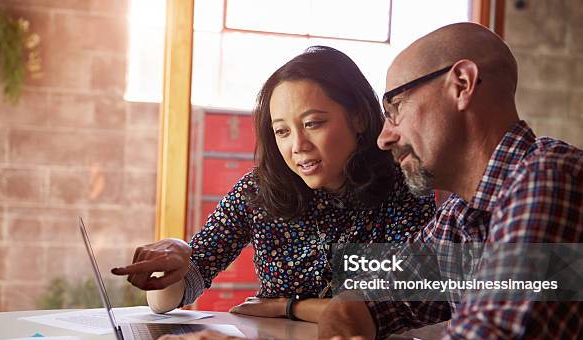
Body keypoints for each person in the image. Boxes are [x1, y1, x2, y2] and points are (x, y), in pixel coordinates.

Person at [125, 23, 582, 340]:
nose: (386, 137)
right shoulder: (464, 214)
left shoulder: (549, 179)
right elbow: (370, 297)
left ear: (461, 84)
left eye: (396, 107)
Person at [111, 46, 435, 322]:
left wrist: (288, 308)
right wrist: (177, 256)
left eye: (313, 123)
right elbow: (168, 300)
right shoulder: (258, 190)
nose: (298, 145)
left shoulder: (403, 186)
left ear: (359, 118)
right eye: (282, 131)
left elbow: (402, 304)